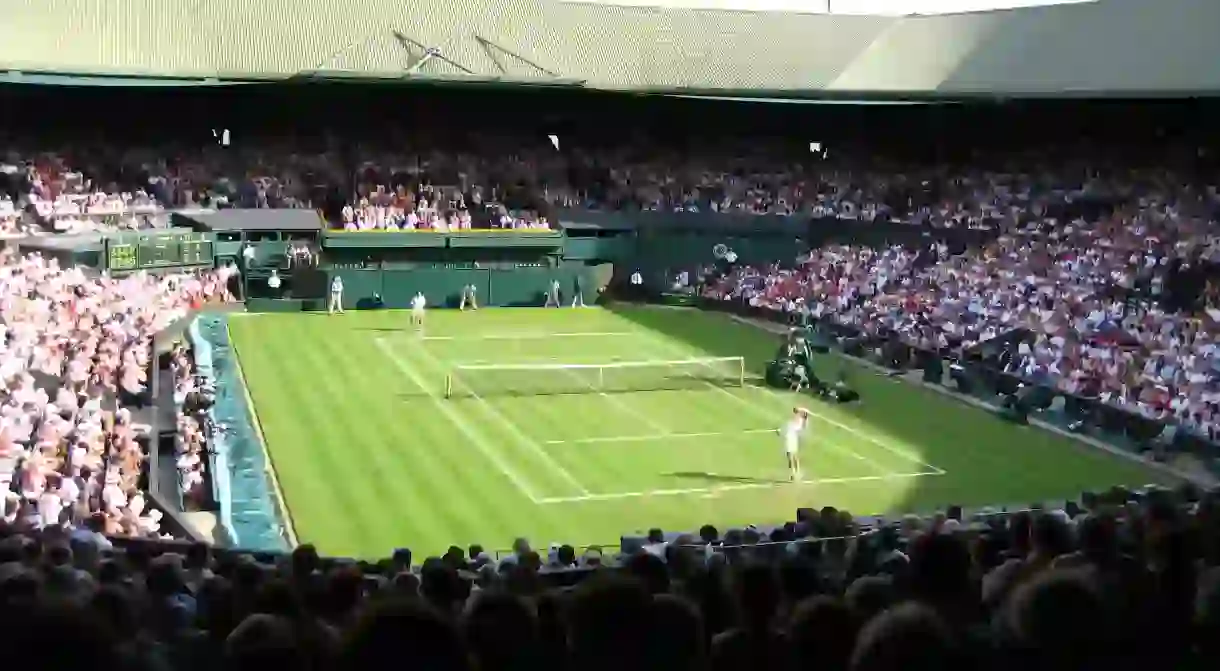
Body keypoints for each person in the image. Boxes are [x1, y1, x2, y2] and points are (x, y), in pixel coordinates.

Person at [777, 407, 810, 482]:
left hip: (792, 439)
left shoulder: (801, 422)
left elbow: (793, 428)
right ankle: (795, 473)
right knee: (791, 457)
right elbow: (787, 426)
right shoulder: (795, 420)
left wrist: (781, 432)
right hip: (789, 438)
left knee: (792, 456)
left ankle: (795, 473)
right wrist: (780, 431)